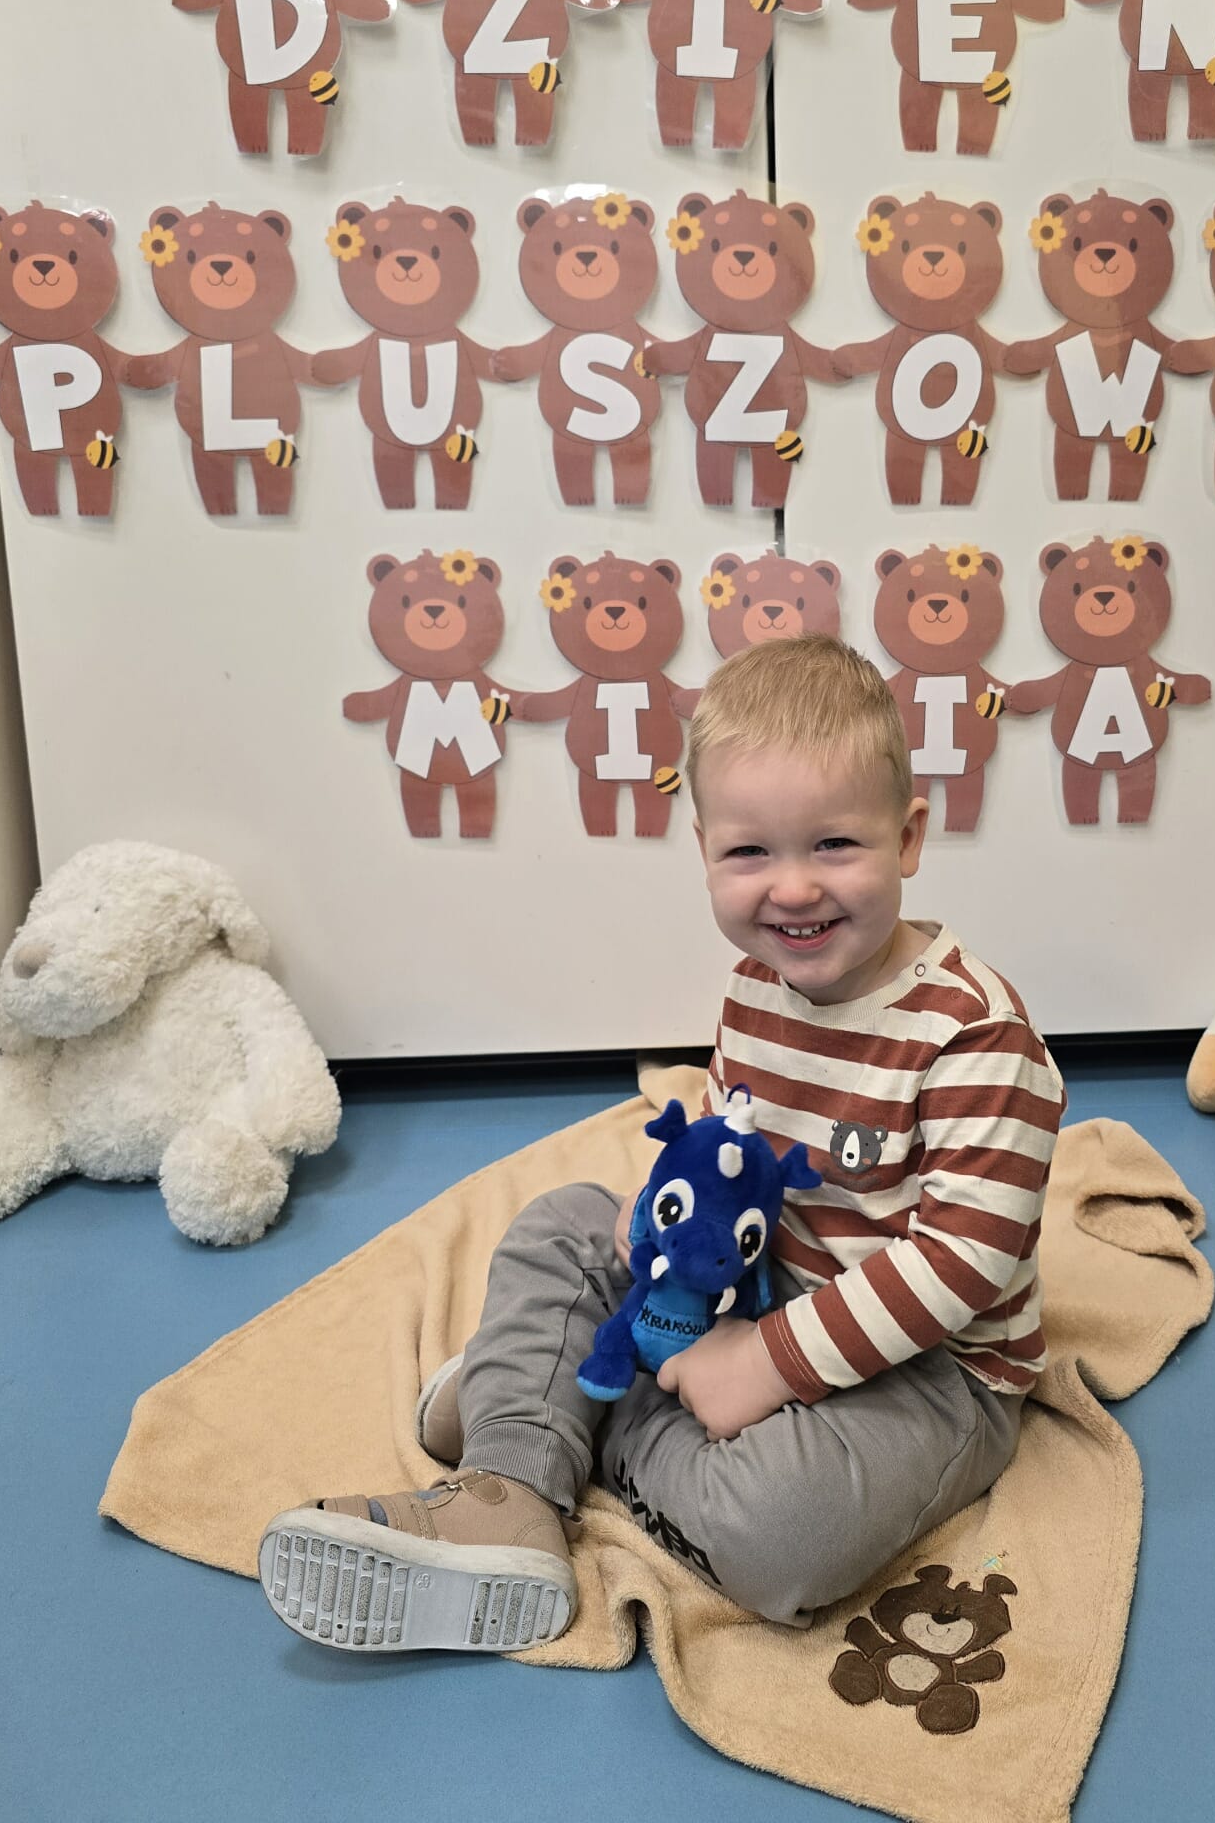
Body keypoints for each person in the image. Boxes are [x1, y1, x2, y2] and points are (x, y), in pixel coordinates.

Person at [258, 634, 1065, 1651]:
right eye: (749, 853)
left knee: (784, 1533)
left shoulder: (973, 1035)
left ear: (907, 838)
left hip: (934, 1375)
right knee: (564, 1223)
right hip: (754, 1283)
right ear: (704, 850)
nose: (792, 889)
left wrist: (765, 1363)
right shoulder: (755, 987)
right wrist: (660, 1220)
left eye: (833, 845)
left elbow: (960, 1263)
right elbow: (724, 1151)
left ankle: (558, 1414)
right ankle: (507, 1497)